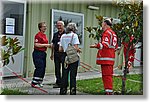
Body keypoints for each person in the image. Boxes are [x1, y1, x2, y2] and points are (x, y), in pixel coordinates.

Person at [90, 18, 118, 95]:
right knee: (108, 75)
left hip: (106, 58)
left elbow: (105, 44)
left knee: (106, 76)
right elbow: (115, 47)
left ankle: (108, 93)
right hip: (110, 58)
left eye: (102, 24)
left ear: (105, 24)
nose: (101, 25)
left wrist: (96, 46)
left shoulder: (107, 33)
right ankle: (109, 91)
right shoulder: (113, 33)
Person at [59, 23, 81, 95]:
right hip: (73, 57)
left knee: (64, 74)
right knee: (73, 75)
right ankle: (72, 90)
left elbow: (60, 49)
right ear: (74, 29)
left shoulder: (63, 36)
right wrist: (78, 50)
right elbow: (76, 47)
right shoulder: (74, 36)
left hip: (65, 56)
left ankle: (63, 90)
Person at [31, 22, 51, 87]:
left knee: (43, 68)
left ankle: (39, 81)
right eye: (43, 26)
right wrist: (46, 45)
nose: (45, 27)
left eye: (45, 26)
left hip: (43, 53)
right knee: (39, 67)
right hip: (37, 53)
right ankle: (34, 83)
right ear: (40, 28)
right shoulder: (38, 35)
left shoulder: (44, 35)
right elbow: (36, 44)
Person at [51, 21, 65, 88]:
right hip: (56, 53)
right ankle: (58, 82)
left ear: (63, 26)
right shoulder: (55, 34)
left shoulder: (66, 34)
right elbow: (53, 44)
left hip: (64, 54)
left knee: (64, 68)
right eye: (57, 25)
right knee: (57, 68)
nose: (59, 27)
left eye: (60, 25)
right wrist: (52, 54)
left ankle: (64, 82)